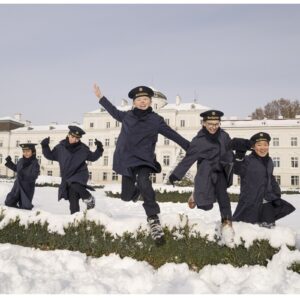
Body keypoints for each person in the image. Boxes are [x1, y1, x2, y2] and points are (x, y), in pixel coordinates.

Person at [94, 84, 190, 245]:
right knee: (126, 197)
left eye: (145, 99)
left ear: (150, 101)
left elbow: (172, 134)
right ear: (134, 103)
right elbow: (113, 111)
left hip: (144, 160)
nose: (142, 101)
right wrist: (101, 98)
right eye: (139, 99)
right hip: (126, 161)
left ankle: (153, 219)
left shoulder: (156, 120)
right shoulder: (127, 116)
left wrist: (189, 146)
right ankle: (138, 189)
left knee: (145, 182)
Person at [168, 110, 234, 242]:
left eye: (216, 124)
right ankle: (195, 195)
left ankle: (226, 222)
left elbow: (230, 151)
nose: (213, 127)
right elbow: (189, 158)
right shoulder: (198, 141)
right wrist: (176, 175)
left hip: (220, 171)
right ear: (204, 123)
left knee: (222, 195)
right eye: (210, 123)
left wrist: (230, 160)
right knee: (206, 206)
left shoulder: (224, 136)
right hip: (205, 172)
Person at [231, 132, 295, 227]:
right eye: (259, 145)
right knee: (249, 231)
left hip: (267, 203)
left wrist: (276, 192)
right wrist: (239, 156)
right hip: (250, 203)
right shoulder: (247, 160)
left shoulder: (269, 161)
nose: (262, 148)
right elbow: (237, 169)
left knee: (268, 230)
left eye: (265, 145)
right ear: (253, 146)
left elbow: (270, 177)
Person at [41, 125, 103, 214]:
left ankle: (89, 198)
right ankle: (75, 218)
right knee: (73, 200)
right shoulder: (60, 148)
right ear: (69, 135)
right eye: (73, 137)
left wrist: (99, 149)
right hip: (67, 176)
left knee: (74, 184)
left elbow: (92, 157)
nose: (75, 140)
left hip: (80, 174)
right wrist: (45, 146)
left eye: (77, 138)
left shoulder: (83, 149)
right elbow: (50, 155)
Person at [4, 143, 40, 210]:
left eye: (28, 151)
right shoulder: (21, 161)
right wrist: (9, 162)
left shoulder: (35, 163)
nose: (25, 153)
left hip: (27, 188)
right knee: (9, 202)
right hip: (17, 185)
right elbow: (16, 168)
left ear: (33, 152)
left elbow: (34, 176)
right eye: (24, 151)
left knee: (25, 207)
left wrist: (24, 177)